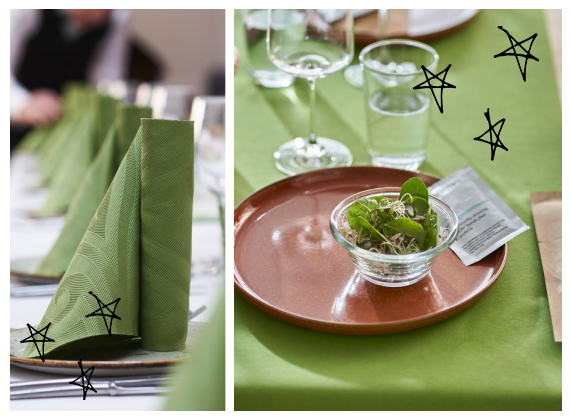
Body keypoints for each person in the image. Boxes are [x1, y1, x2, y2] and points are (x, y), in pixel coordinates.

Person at [10, 9, 131, 148]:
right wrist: (22, 104)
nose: (99, 13)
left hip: (62, 133)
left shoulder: (118, 17)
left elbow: (107, 78)